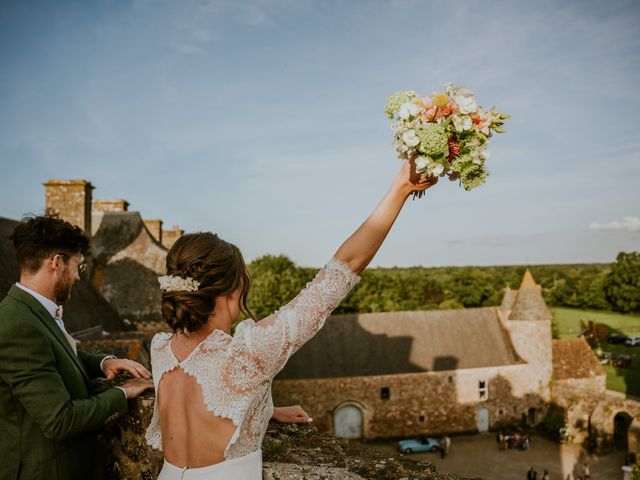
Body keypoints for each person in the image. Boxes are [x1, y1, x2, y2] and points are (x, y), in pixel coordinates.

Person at [145, 160, 436, 479]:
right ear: (231, 289)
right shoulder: (250, 354)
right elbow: (343, 269)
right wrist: (400, 188)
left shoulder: (162, 349)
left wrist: (265, 410)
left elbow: (206, 402)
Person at [0, 214, 154, 480]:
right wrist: (123, 392)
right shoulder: (17, 324)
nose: (78, 278)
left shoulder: (32, 311)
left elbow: (55, 354)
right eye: (77, 267)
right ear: (57, 263)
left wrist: (104, 362)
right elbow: (60, 420)